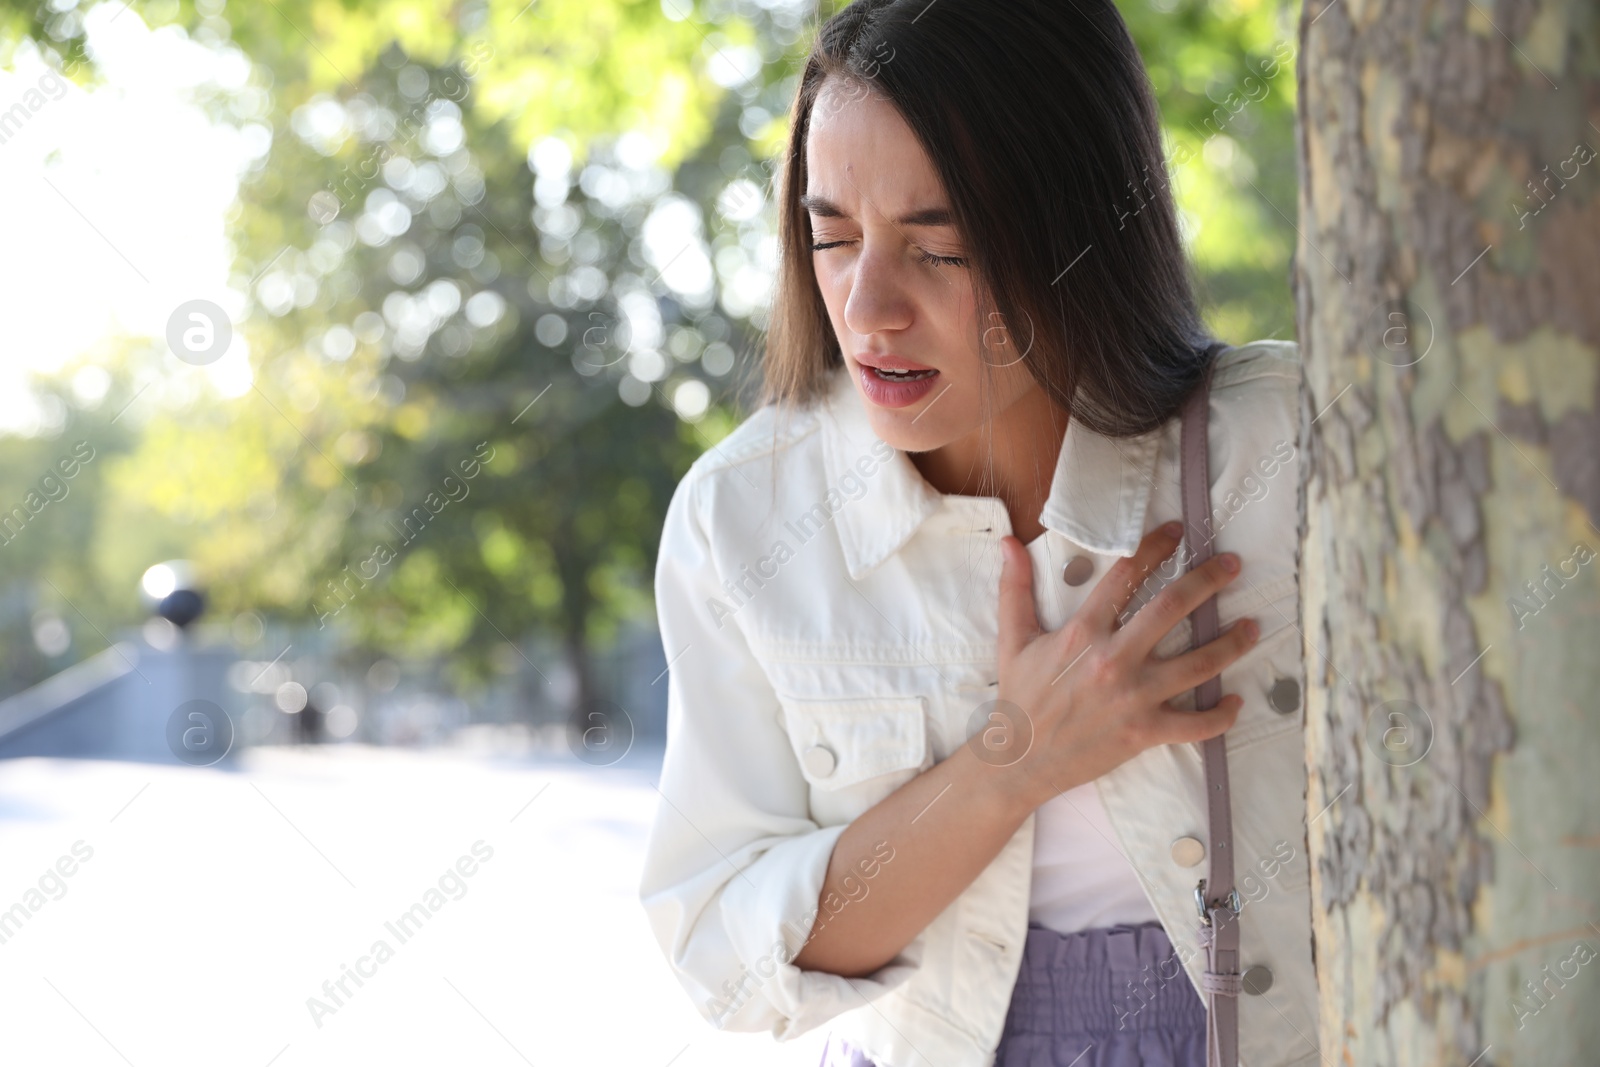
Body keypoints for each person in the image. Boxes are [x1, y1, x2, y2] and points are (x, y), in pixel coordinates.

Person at [637, 1, 1319, 1064]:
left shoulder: (1285, 448)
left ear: (1082, 225)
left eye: (938, 247)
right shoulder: (745, 518)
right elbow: (723, 955)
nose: (868, 309)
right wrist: (1013, 761)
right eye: (832, 236)